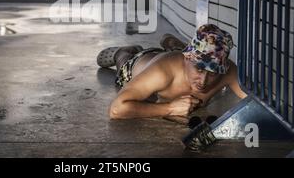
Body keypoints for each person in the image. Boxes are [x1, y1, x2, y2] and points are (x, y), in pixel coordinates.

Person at [96, 24, 247, 121]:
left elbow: (255, 100)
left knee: (180, 56)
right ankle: (123, 52)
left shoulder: (227, 70)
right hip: (140, 63)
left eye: (212, 72)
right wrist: (169, 108)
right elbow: (116, 109)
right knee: (124, 68)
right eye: (199, 69)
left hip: (176, 56)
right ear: (186, 58)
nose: (203, 80)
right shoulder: (162, 73)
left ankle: (172, 44)